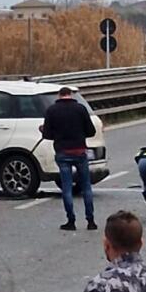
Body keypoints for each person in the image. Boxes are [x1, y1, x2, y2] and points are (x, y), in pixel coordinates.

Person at [40, 86, 97, 231]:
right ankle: (90, 221)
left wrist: (44, 130)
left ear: (59, 96)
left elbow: (47, 135)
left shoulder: (51, 110)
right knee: (86, 186)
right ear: (70, 95)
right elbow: (91, 131)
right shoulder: (80, 109)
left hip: (63, 152)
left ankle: (71, 221)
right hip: (79, 151)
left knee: (66, 187)